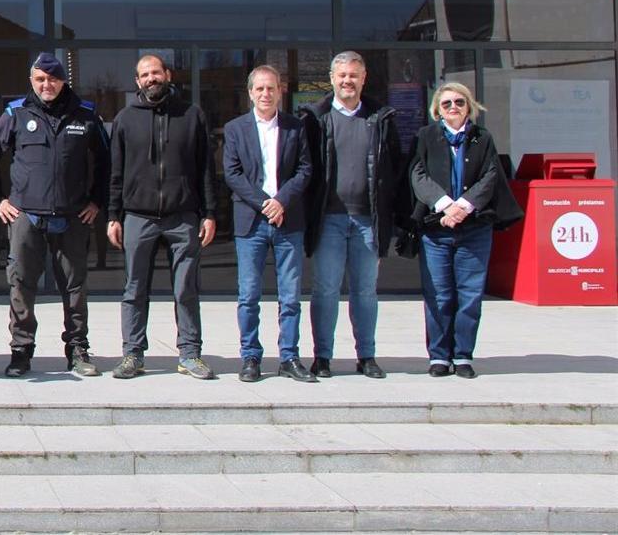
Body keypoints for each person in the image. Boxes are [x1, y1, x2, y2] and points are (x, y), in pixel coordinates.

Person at [0, 52, 108, 377]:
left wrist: (97, 200)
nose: (46, 85)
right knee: (21, 286)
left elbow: (107, 163)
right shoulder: (16, 113)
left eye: (52, 78)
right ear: (31, 81)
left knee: (75, 288)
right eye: (40, 79)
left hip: (73, 217)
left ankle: (77, 350)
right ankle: (21, 352)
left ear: (63, 80)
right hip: (26, 217)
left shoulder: (86, 114)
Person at [106, 54, 219, 380]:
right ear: (137, 81)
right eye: (145, 74)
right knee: (134, 289)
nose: (151, 78)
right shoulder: (126, 118)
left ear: (167, 74)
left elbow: (205, 170)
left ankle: (189, 353)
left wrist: (209, 213)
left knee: (186, 288)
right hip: (138, 216)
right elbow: (116, 172)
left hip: (182, 216)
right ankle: (133, 354)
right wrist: (114, 215)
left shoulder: (191, 115)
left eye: (156, 72)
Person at [298, 50, 405, 379]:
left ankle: (367, 355)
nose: (347, 81)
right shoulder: (315, 119)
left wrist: (395, 218)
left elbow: (395, 169)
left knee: (365, 290)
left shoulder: (380, 118)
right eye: (342, 75)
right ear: (332, 79)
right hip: (329, 218)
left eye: (353, 76)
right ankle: (323, 357)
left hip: (366, 219)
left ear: (363, 79)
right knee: (326, 289)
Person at [407, 82, 520, 378]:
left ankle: (463, 355)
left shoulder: (482, 138)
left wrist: (464, 206)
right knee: (439, 295)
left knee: (469, 295)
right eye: (447, 104)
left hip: (474, 229)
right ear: (437, 110)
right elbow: (417, 174)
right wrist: (445, 206)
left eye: (459, 102)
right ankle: (439, 357)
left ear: (469, 106)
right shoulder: (426, 136)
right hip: (437, 230)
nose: (453, 108)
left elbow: (491, 175)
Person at [221, 65, 315, 383]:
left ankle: (289, 357)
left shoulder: (295, 127)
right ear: (250, 93)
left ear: (280, 91)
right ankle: (250, 356)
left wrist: (281, 201)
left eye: (271, 88)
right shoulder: (235, 129)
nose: (265, 94)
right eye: (259, 89)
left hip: (288, 221)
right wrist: (265, 203)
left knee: (290, 296)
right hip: (251, 223)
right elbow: (233, 174)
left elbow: (305, 170)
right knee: (249, 295)